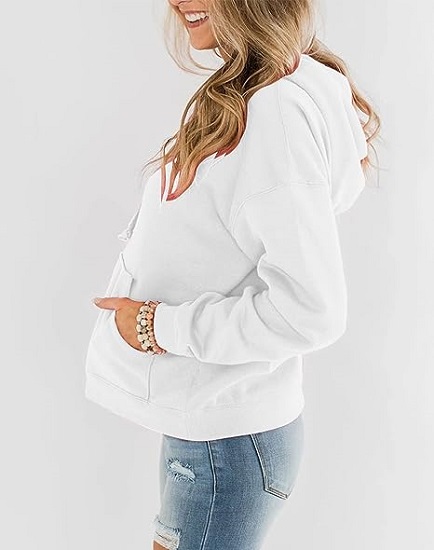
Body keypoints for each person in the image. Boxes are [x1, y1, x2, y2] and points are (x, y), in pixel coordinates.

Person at [85, 1, 381, 548]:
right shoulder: (262, 91)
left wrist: (157, 327)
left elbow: (312, 311)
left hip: (225, 441)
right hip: (214, 427)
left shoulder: (274, 111)